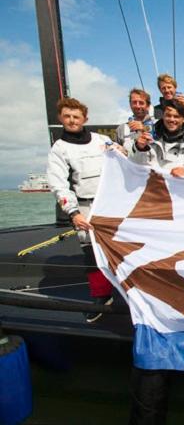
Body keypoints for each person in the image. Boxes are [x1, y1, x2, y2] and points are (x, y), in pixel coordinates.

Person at [47, 98, 115, 322]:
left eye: (76, 116)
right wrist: (74, 213)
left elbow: (123, 160)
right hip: (85, 206)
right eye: (67, 116)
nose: (72, 120)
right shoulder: (59, 149)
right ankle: (102, 297)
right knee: (91, 254)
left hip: (111, 203)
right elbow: (59, 184)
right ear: (60, 119)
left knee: (123, 249)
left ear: (85, 118)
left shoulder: (102, 140)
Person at [128, 99, 184, 175]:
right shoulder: (150, 138)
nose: (172, 120)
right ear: (163, 117)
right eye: (168, 115)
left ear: (183, 119)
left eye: (176, 116)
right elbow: (134, 167)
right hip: (156, 192)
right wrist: (139, 148)